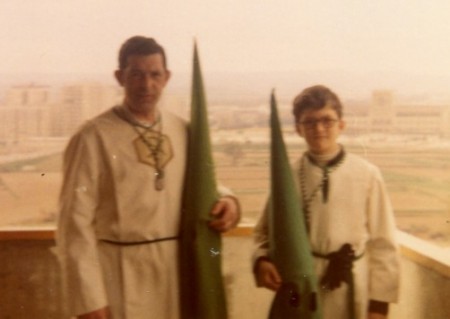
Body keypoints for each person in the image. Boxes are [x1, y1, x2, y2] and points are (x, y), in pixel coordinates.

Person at [57, 36, 240, 319]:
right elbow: (74, 226)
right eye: (136, 74)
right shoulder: (92, 137)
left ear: (166, 78)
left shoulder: (182, 130)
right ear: (120, 77)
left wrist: (227, 199)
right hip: (120, 277)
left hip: (177, 273)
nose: (147, 84)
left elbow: (197, 183)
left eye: (155, 74)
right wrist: (90, 301)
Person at [253, 85, 400, 319]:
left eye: (327, 120)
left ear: (341, 125)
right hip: (301, 287)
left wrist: (379, 306)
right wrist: (260, 261)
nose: (319, 128)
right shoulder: (287, 176)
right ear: (298, 129)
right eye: (309, 122)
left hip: (350, 287)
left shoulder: (367, 174)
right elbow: (262, 233)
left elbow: (384, 244)